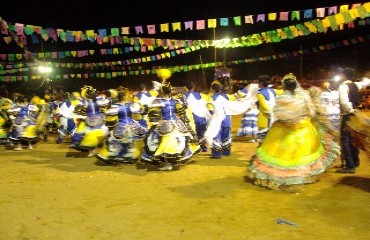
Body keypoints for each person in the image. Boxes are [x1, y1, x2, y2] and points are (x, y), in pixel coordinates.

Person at [246, 73, 340, 190]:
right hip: (303, 129)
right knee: (303, 155)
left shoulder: (282, 99)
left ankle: (278, 178)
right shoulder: (303, 96)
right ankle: (303, 176)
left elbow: (279, 114)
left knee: (278, 155)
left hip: (284, 130)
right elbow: (310, 112)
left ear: (284, 87)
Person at [335, 68, 370, 173]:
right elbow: (365, 83)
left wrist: (351, 110)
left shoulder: (343, 86)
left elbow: (344, 102)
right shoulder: (355, 85)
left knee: (345, 139)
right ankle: (355, 161)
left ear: (344, 76)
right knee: (353, 139)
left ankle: (350, 165)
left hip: (348, 115)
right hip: (357, 114)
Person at [184, 80, 211, 152]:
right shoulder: (200, 95)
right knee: (201, 133)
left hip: (191, 117)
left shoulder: (184, 96)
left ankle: (193, 148)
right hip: (202, 116)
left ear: (186, 87)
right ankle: (203, 147)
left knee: (191, 133)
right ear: (194, 87)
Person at [256, 75, 277, 143]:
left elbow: (265, 108)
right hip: (274, 119)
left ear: (261, 83)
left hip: (264, 119)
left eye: (258, 82)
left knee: (262, 142)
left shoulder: (260, 94)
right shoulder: (273, 91)